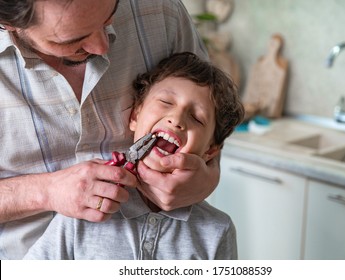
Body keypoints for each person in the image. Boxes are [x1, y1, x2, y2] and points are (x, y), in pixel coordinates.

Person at [0, 0, 221, 260]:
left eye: (109, 18)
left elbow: (213, 114)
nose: (103, 47)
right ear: (9, 24)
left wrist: (208, 176)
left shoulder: (162, 12)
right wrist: (45, 192)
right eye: (74, 38)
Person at [23, 52, 244, 260]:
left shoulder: (217, 230)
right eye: (166, 102)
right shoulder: (84, 210)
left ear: (210, 151)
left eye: (197, 118)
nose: (176, 119)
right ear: (135, 115)